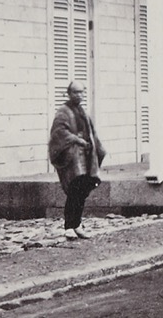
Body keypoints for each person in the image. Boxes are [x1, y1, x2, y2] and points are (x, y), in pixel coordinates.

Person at [48, 81, 106, 239]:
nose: (79, 95)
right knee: (74, 191)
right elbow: (58, 132)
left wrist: (98, 148)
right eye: (75, 92)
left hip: (86, 157)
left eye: (81, 92)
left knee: (83, 191)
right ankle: (69, 226)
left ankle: (78, 224)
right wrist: (75, 139)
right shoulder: (63, 112)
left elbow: (91, 132)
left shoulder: (82, 111)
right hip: (72, 158)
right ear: (69, 93)